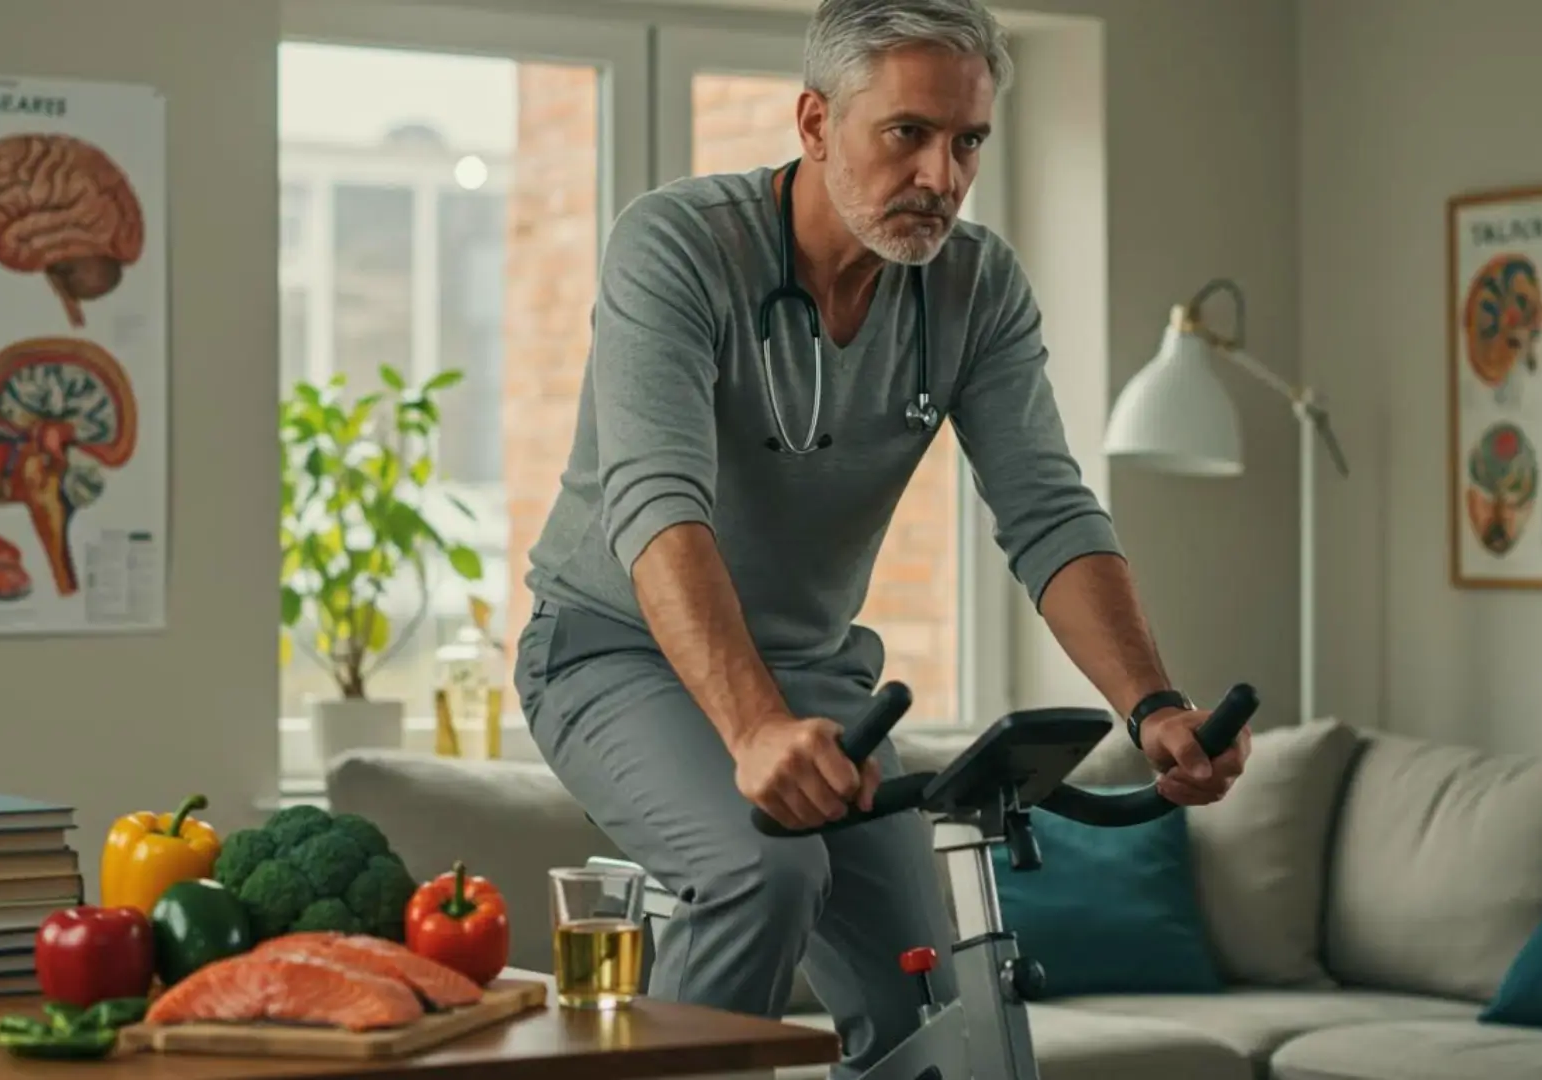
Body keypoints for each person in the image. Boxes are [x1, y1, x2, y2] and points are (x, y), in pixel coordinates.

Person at [513, 0, 1252, 1074]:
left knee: (934, 995)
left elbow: (1047, 510)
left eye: (968, 142)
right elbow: (656, 504)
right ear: (815, 123)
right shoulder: (676, 245)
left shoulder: (975, 287)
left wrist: (1152, 706)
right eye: (907, 133)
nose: (942, 178)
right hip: (611, 649)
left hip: (812, 677)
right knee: (761, 874)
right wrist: (755, 730)